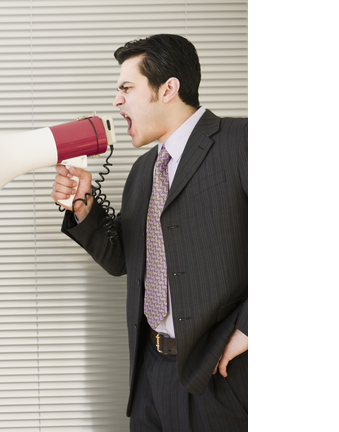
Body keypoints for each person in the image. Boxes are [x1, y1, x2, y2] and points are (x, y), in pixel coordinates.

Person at [51, 34, 247, 431]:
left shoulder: (241, 142)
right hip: (151, 376)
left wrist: (250, 328)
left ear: (168, 89)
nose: (116, 101)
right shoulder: (144, 171)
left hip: (221, 375)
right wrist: (84, 208)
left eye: (126, 87)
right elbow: (126, 261)